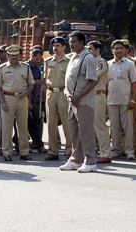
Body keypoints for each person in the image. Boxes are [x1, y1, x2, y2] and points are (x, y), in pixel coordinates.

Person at [57, 31, 99, 173]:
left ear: (82, 42)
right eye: (70, 41)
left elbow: (93, 81)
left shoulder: (88, 58)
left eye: (74, 41)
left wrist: (79, 96)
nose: (71, 43)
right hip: (72, 100)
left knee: (86, 131)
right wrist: (69, 94)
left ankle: (90, 160)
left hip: (84, 101)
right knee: (74, 132)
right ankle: (76, 159)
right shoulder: (73, 57)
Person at [0, 45, 34, 161]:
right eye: (11, 55)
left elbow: (31, 83)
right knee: (7, 127)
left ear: (20, 55)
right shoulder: (1, 68)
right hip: (8, 97)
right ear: (7, 56)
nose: (14, 57)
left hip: (22, 98)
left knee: (23, 126)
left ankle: (24, 152)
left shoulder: (26, 67)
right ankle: (7, 152)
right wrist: (2, 102)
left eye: (16, 55)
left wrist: (26, 93)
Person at [107, 40, 136, 161]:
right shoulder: (108, 64)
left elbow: (135, 83)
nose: (118, 50)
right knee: (114, 128)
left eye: (120, 48)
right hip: (111, 100)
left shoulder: (129, 64)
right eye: (116, 48)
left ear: (125, 50)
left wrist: (133, 99)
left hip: (126, 101)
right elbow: (105, 84)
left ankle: (129, 151)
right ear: (112, 51)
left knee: (128, 128)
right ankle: (116, 150)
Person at [44, 37, 73, 161]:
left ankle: (70, 149)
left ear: (63, 47)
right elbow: (45, 78)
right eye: (54, 46)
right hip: (51, 93)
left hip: (63, 92)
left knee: (67, 122)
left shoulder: (69, 61)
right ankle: (53, 151)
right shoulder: (48, 61)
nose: (55, 48)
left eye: (58, 46)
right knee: (51, 123)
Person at [87, 41, 112, 163]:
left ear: (98, 50)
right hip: (89, 96)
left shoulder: (101, 63)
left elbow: (93, 76)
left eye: (91, 49)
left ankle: (105, 153)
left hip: (98, 95)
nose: (88, 51)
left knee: (100, 125)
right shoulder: (89, 62)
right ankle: (93, 151)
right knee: (90, 126)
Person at [25, 46, 46, 153]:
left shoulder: (39, 66)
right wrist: (29, 102)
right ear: (32, 56)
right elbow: (27, 84)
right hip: (27, 98)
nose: (39, 61)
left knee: (35, 123)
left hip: (37, 98)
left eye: (40, 59)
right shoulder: (26, 67)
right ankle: (38, 144)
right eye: (37, 59)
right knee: (30, 123)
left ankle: (37, 144)